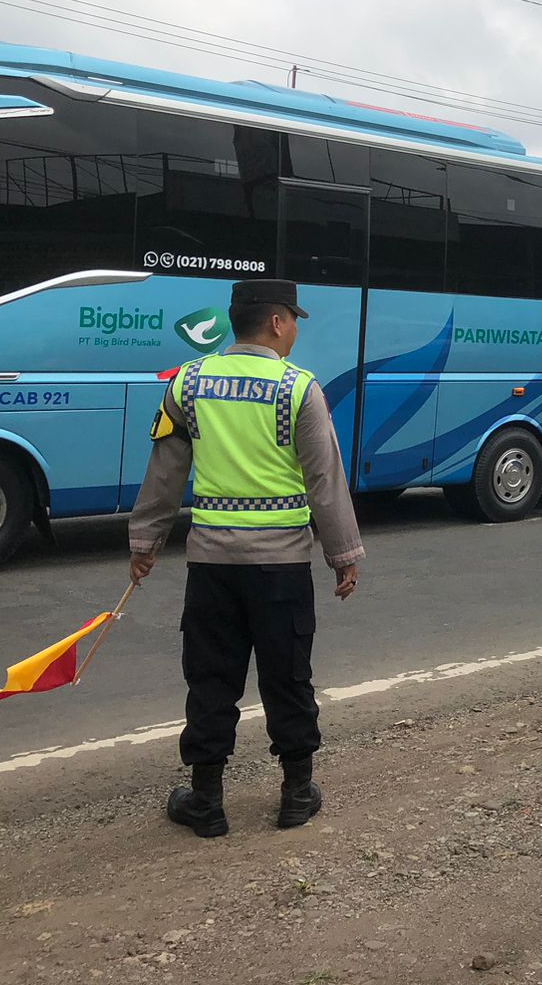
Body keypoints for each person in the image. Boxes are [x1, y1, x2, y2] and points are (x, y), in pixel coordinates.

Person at [128, 279, 366, 838]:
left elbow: (165, 471)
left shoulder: (188, 383)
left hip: (211, 566)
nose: (296, 329)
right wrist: (343, 555)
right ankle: (296, 795)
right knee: (288, 678)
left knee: (211, 679)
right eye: (294, 319)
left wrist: (145, 544)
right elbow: (324, 480)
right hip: (281, 568)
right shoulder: (298, 388)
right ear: (277, 322)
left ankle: (206, 802)